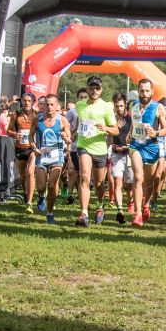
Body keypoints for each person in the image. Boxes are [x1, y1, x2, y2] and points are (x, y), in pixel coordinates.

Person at [75, 76, 118, 227]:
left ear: (101, 90)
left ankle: (100, 205)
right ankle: (84, 213)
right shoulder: (79, 105)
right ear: (87, 89)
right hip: (83, 146)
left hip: (99, 148)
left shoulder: (106, 107)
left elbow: (116, 130)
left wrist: (105, 128)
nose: (94, 91)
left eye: (97, 88)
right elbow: (80, 123)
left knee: (99, 183)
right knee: (84, 176)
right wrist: (73, 134)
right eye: (91, 88)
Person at [128, 78, 166, 227]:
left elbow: (165, 130)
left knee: (149, 183)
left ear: (152, 92)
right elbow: (134, 124)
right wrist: (130, 133)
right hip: (136, 146)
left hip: (151, 148)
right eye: (141, 91)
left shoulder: (158, 108)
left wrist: (155, 133)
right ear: (138, 91)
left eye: (147, 91)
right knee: (138, 177)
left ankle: (146, 204)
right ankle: (138, 214)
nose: (144, 94)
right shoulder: (133, 106)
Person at [29, 94, 71, 223]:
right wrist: (34, 148)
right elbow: (30, 136)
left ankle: (50, 212)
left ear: (57, 105)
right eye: (47, 104)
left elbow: (69, 139)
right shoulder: (38, 119)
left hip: (57, 156)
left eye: (52, 104)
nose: (49, 107)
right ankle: (42, 196)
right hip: (42, 156)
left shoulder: (62, 120)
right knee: (41, 186)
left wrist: (66, 138)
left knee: (52, 185)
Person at [7, 93, 38, 212]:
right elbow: (8, 130)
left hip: (32, 147)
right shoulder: (16, 114)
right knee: (23, 175)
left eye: (29, 101)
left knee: (30, 172)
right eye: (24, 100)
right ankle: (25, 193)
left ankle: (29, 201)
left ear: (33, 102)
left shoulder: (37, 114)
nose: (26, 103)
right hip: (20, 147)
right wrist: (15, 134)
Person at [109, 92, 134, 224]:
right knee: (117, 182)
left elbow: (135, 136)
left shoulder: (131, 119)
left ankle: (131, 201)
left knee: (129, 184)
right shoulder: (111, 119)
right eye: (116, 106)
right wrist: (109, 149)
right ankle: (120, 210)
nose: (119, 108)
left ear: (125, 105)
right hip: (116, 155)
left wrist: (129, 145)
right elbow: (108, 137)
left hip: (129, 154)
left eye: (121, 106)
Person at [65, 88, 89, 204]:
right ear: (77, 98)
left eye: (85, 97)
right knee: (71, 171)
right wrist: (70, 133)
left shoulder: (91, 110)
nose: (83, 99)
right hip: (73, 145)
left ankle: (82, 198)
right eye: (81, 97)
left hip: (86, 146)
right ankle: (70, 193)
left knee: (82, 174)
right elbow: (64, 125)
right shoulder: (72, 112)